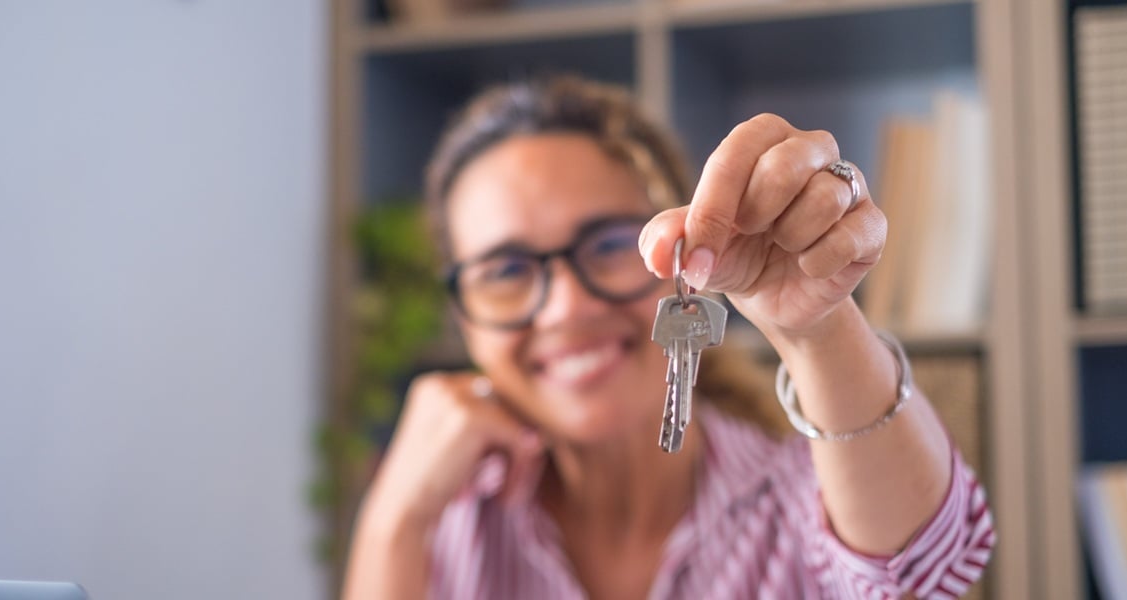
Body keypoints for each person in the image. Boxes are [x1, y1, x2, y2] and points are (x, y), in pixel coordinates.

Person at [343, 75, 994, 599]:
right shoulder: (449, 519)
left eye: (607, 245)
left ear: (683, 252)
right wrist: (392, 524)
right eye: (506, 270)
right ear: (464, 315)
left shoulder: (798, 495)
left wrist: (817, 326)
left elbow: (926, 570)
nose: (567, 308)